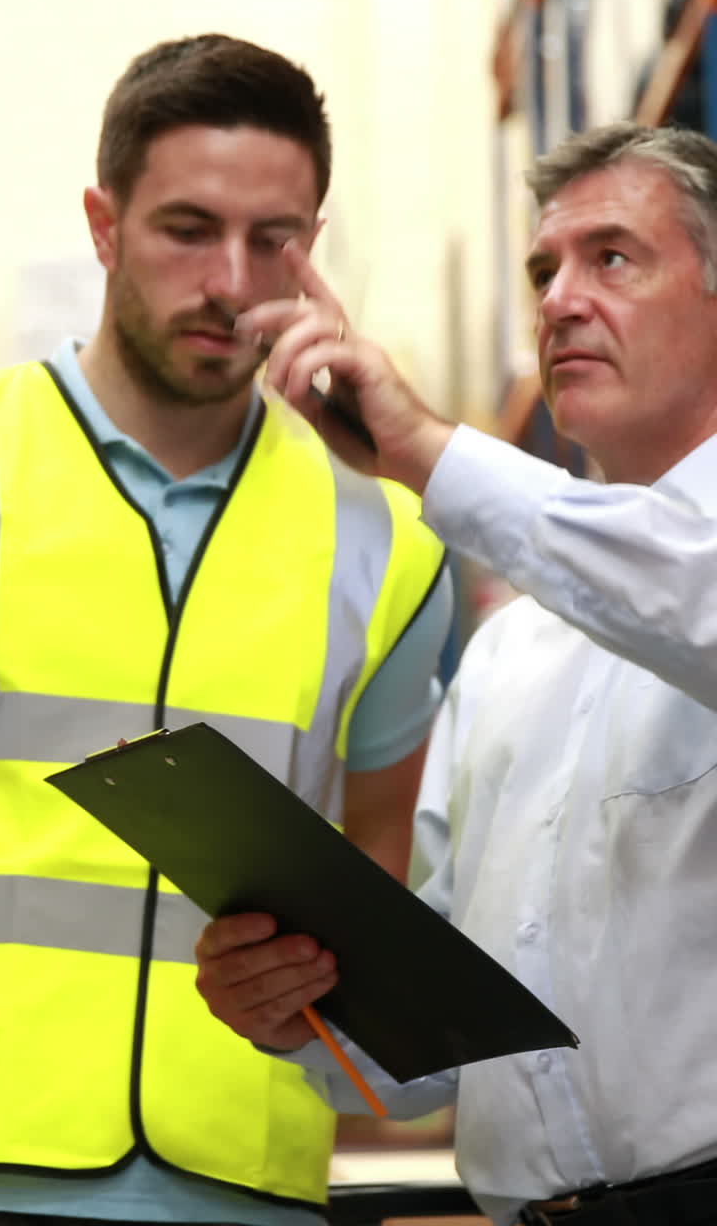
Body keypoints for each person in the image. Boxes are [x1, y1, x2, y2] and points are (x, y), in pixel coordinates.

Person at [194, 121, 717, 1226]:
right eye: (545, 269)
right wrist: (308, 1008)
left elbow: (688, 598)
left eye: (613, 257)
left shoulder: (684, 594)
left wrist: (427, 451)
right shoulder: (514, 652)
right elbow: (448, 1040)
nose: (561, 300)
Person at [0, 35, 452, 1226]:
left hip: (243, 1177)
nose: (232, 281)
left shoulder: (390, 543)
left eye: (276, 239)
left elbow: (391, 888)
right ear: (104, 225)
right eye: (187, 228)